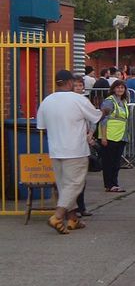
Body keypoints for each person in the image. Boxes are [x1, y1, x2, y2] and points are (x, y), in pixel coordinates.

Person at [36, 70, 102, 234]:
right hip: (75, 149)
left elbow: (41, 126)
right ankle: (57, 216)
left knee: (64, 185)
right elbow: (96, 117)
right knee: (74, 184)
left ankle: (72, 218)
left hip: (56, 149)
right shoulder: (78, 99)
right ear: (70, 82)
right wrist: (105, 111)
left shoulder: (47, 101)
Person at [98, 79, 130, 193]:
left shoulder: (124, 101)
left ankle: (114, 183)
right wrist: (104, 137)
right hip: (110, 136)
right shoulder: (109, 101)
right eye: (118, 87)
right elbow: (103, 119)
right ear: (113, 89)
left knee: (116, 162)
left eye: (122, 87)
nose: (120, 89)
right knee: (109, 162)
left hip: (120, 136)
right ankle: (109, 184)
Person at [72, 76, 94, 217]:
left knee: (82, 178)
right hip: (72, 143)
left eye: (81, 85)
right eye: (76, 86)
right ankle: (73, 209)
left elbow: (93, 119)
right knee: (73, 179)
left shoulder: (85, 101)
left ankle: (81, 207)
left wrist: (91, 133)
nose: (79, 88)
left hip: (83, 141)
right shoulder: (69, 102)